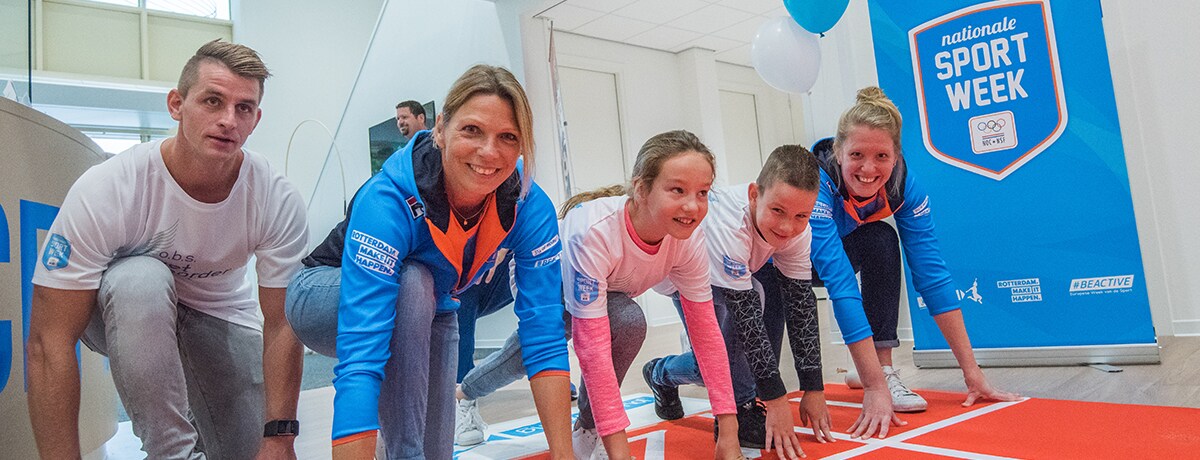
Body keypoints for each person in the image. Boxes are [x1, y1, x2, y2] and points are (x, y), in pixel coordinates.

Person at [26, 39, 309, 459]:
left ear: (256, 119)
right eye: (212, 101)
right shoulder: (109, 187)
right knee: (139, 277)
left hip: (219, 318)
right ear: (177, 104)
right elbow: (48, 343)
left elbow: (283, 324)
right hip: (124, 311)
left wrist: (279, 438)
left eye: (243, 108)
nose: (228, 120)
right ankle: (172, 451)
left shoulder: (275, 197)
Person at [284, 64, 573, 459]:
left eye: (508, 137)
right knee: (414, 282)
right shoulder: (387, 199)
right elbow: (361, 358)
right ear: (440, 130)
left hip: (435, 301)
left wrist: (564, 453)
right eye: (472, 130)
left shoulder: (528, 204)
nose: (489, 152)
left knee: (437, 450)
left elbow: (543, 333)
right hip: (320, 296)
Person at [810, 87, 1019, 413]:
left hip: (842, 251)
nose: (868, 169)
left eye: (881, 156)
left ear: (896, 157)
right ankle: (873, 375)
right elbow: (839, 283)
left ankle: (884, 368)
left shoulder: (905, 187)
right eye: (856, 155)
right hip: (788, 262)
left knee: (881, 238)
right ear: (838, 152)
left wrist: (972, 372)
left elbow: (932, 276)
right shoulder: (815, 181)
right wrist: (872, 386)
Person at [564, 130, 742, 460]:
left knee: (629, 321)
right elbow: (592, 348)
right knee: (523, 355)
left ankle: (589, 428)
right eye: (677, 190)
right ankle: (468, 392)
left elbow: (706, 335)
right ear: (642, 189)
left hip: (613, 289)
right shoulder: (594, 231)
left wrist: (729, 435)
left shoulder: (688, 238)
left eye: (702, 192)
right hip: (554, 285)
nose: (692, 205)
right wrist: (622, 452)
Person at [643, 145, 827, 460]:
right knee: (748, 305)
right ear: (754, 194)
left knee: (711, 366)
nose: (787, 227)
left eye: (801, 215)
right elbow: (747, 317)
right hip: (679, 276)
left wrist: (814, 387)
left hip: (727, 278)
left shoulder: (798, 230)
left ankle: (659, 373)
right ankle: (740, 410)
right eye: (778, 211)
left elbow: (800, 303)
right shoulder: (729, 223)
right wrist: (775, 399)